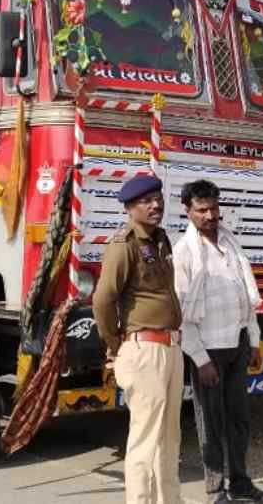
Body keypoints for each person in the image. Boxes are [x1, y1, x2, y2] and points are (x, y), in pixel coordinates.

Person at [173, 179, 263, 503]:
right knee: (211, 423)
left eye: (213, 208)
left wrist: (253, 340)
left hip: (237, 345)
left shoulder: (230, 242)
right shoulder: (184, 252)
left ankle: (240, 482)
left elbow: (245, 297)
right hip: (208, 351)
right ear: (188, 212)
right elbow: (181, 313)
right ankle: (215, 490)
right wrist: (200, 359)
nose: (209, 215)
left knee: (239, 419)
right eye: (201, 210)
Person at [91, 174, 184, 504]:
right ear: (130, 207)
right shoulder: (124, 245)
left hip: (171, 347)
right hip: (144, 350)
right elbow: (103, 300)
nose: (156, 205)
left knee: (170, 439)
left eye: (158, 199)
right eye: (147, 201)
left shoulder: (162, 240)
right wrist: (116, 345)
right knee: (145, 441)